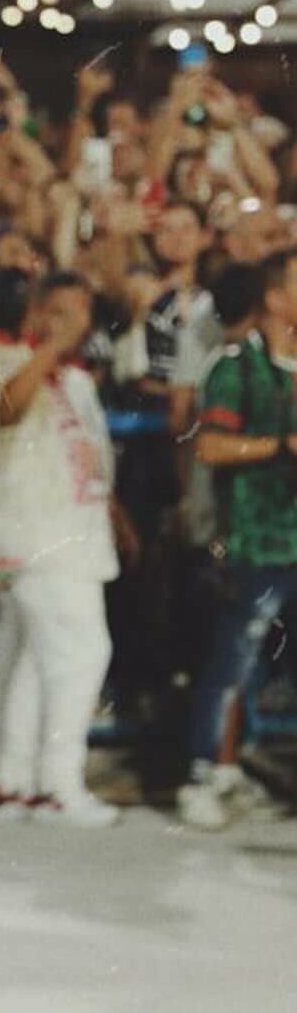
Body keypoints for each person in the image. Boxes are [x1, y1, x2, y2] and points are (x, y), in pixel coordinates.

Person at [0, 273, 129, 826]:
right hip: (34, 537)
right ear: (35, 309)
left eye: (81, 314)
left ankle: (15, 782)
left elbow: (91, 455)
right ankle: (61, 784)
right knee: (82, 653)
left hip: (79, 536)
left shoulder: (77, 380)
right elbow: (5, 410)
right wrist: (52, 346)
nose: (75, 325)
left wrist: (116, 517)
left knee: (39, 662)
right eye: (61, 312)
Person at [178, 247, 297, 830]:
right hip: (255, 541)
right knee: (234, 661)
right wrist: (281, 447)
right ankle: (203, 774)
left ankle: (229, 769)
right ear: (274, 298)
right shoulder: (236, 366)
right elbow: (210, 446)